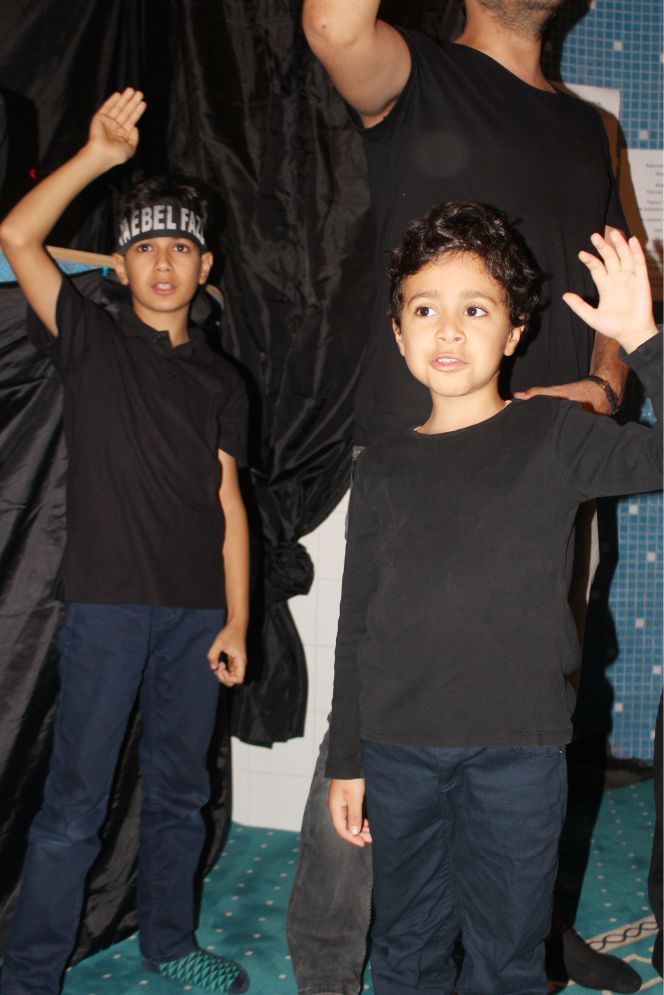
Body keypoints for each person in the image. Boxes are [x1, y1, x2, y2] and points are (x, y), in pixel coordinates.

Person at [288, 2, 640, 992]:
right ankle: (330, 961)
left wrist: (603, 387)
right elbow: (332, 25)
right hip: (423, 455)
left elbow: (619, 280)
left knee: (527, 711)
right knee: (388, 706)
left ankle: (527, 926)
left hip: (558, 459)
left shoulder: (593, 128)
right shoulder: (418, 72)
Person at [326, 203, 661, 994]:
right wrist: (346, 758)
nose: (448, 329)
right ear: (399, 333)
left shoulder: (556, 434)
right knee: (405, 946)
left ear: (514, 332)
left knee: (508, 955)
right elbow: (357, 617)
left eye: (475, 309)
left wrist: (644, 340)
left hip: (518, 752)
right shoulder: (380, 466)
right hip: (399, 749)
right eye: (425, 310)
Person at [0, 90, 251, 995]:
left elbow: (229, 504)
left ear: (204, 264)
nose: (163, 261)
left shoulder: (222, 381)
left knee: (180, 793)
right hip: (106, 609)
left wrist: (238, 620)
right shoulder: (90, 341)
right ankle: (30, 974)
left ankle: (169, 942)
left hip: (196, 617)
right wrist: (97, 158)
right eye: (145, 246)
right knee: (75, 801)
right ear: (119, 263)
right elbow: (18, 235)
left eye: (180, 246)